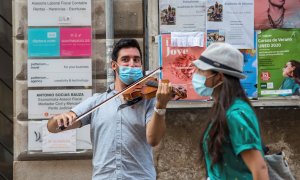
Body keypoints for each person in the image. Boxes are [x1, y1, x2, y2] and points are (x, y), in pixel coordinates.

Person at [47, 38, 173, 179]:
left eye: (136, 60)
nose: (132, 64)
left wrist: (161, 106)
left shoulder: (149, 101)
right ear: (114, 65)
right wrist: (58, 119)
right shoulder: (96, 101)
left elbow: (153, 139)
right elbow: (53, 128)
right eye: (125, 59)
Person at [191, 43, 269, 179]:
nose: (195, 75)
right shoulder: (223, 108)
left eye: (201, 71)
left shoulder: (236, 114)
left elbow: (259, 168)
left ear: (220, 77)